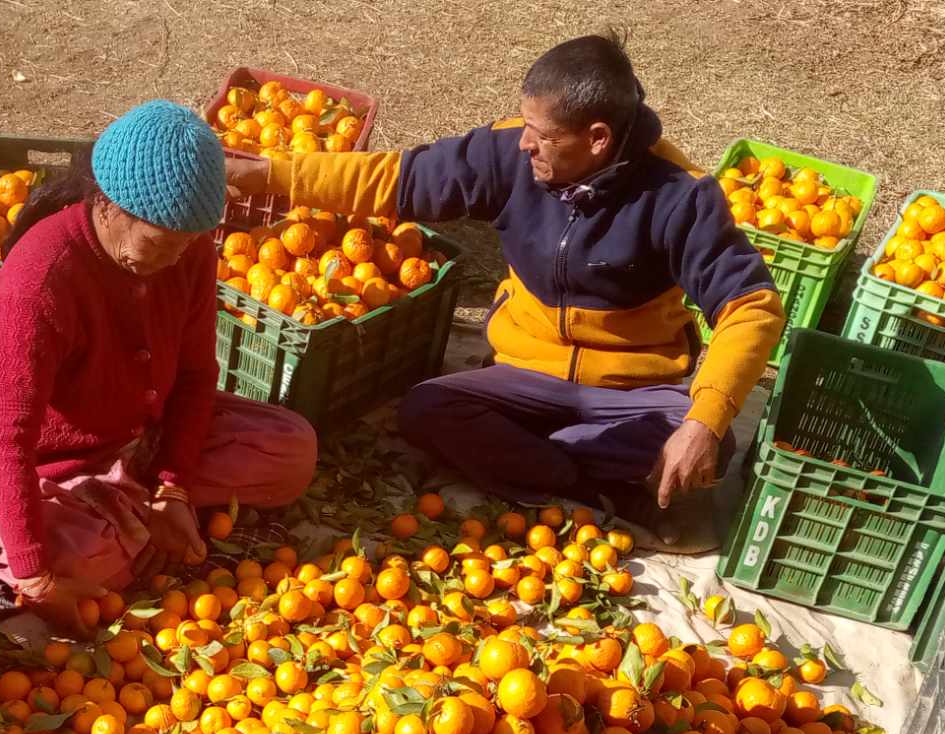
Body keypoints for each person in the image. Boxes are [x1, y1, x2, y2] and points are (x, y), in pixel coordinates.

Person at [229, 33, 783, 548]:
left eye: (542, 136)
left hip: (629, 389)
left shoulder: (677, 196)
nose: (525, 144)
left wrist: (704, 420)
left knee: (712, 440)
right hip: (523, 371)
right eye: (525, 125)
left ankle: (549, 463)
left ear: (597, 140)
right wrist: (272, 173)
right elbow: (394, 179)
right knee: (427, 409)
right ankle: (590, 484)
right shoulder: (508, 155)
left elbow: (751, 306)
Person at [0, 100, 318, 631]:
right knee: (80, 558)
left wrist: (173, 488)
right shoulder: (40, 281)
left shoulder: (189, 251)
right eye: (161, 244)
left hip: (144, 437)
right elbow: (6, 443)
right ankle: (105, 523)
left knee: (292, 450)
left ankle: (134, 512)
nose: (176, 259)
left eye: (189, 245)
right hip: (51, 460)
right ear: (110, 206)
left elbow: (193, 377)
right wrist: (37, 580)